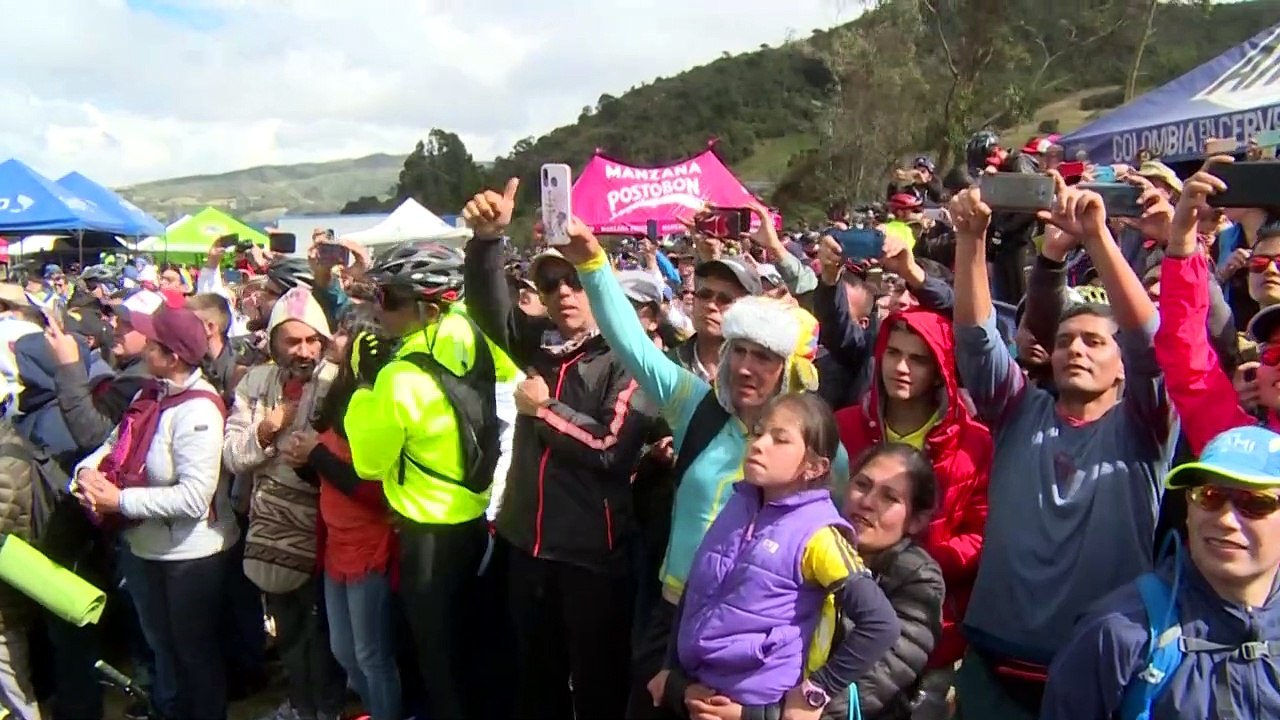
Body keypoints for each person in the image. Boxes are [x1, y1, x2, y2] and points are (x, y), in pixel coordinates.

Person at [948, 178, 1175, 718]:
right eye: (1066, 340)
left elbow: (1150, 343)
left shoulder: (1146, 427)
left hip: (1099, 664)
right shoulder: (1018, 411)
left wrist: (1097, 237)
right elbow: (978, 341)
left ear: (1121, 364)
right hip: (994, 659)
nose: (1075, 348)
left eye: (1095, 341)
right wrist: (970, 239)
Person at [464, 203, 654, 719]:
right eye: (550, 285)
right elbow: (487, 308)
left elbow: (612, 448)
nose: (564, 293)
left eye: (573, 281)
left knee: (598, 685)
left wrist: (543, 410)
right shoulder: (539, 345)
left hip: (593, 556)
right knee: (535, 679)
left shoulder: (629, 356)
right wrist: (486, 241)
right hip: (526, 546)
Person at [649, 393, 899, 719]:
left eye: (779, 439)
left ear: (815, 467)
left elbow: (881, 624)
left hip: (756, 706)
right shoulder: (737, 504)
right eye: (757, 432)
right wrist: (672, 674)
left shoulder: (819, 535)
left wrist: (814, 692)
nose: (758, 444)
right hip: (698, 692)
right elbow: (697, 589)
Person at [343, 244, 504, 720]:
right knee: (473, 654)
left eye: (390, 298)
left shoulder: (397, 378)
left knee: (438, 664)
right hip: (475, 522)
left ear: (427, 308)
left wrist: (364, 389)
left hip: (427, 536)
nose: (379, 307)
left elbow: (368, 463)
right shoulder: (467, 334)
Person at [1041, 426, 1280, 719]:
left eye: (1255, 503)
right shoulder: (1118, 633)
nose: (1227, 519)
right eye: (1210, 496)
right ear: (1189, 511)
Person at [72, 303, 237, 720]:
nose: (144, 348)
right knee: (163, 647)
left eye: (152, 343)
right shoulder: (151, 394)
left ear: (173, 356)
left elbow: (195, 498)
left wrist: (119, 501)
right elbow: (113, 445)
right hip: (145, 549)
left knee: (193, 654)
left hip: (189, 559)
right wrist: (86, 474)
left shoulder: (198, 410)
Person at [834, 308, 990, 711]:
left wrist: (908, 557)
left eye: (918, 359)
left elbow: (983, 536)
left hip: (936, 630)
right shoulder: (844, 427)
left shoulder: (975, 445)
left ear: (940, 369)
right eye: (893, 353)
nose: (901, 367)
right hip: (834, 622)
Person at [223, 287, 344, 720]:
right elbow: (234, 455)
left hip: (325, 528)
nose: (304, 351)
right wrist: (266, 432)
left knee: (322, 627)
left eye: (313, 340)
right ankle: (301, 703)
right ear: (274, 342)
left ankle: (325, 707)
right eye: (292, 341)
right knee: (287, 623)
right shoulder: (257, 383)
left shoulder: (337, 382)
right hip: (269, 524)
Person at [279, 305, 400, 720]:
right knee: (343, 650)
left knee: (371, 654)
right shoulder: (335, 393)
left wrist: (317, 457)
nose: (335, 338)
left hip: (370, 545)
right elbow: (331, 477)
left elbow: (376, 492)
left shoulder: (381, 400)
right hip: (336, 544)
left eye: (347, 332)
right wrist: (309, 464)